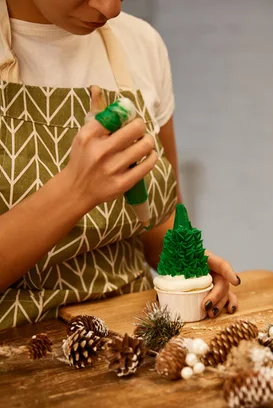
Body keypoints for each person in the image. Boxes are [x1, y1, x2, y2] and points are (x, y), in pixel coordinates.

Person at [0, 0, 240, 329]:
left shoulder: (141, 44)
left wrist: (184, 262)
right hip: (22, 355)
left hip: (135, 339)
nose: (110, 7)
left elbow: (157, 222)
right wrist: (75, 190)